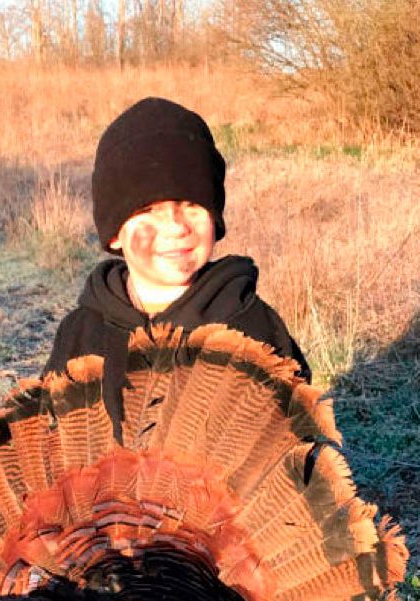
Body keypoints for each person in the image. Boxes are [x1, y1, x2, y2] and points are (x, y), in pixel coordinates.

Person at [44, 96, 311, 445]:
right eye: (149, 210)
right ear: (114, 234)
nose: (175, 226)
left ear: (215, 217)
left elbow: (294, 444)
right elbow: (49, 438)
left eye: (192, 205)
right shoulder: (80, 332)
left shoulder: (252, 327)